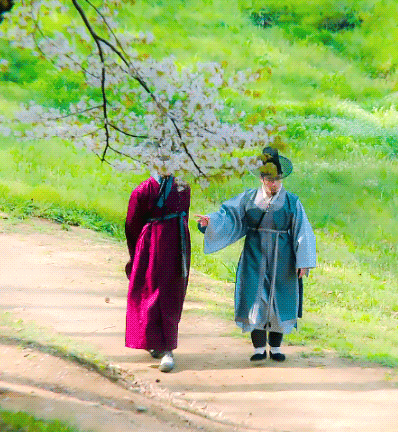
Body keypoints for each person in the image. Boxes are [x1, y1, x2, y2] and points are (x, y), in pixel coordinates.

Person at [195, 147, 316, 362]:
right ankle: (259, 348)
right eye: (269, 179)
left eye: (276, 179)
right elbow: (229, 216)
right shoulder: (248, 199)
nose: (273, 183)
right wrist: (210, 222)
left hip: (283, 259)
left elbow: (303, 231)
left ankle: (276, 348)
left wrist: (303, 261)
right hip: (254, 256)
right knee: (255, 298)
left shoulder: (292, 202)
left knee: (279, 299)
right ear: (261, 178)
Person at [124, 173, 191, 372]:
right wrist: (136, 254)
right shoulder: (142, 191)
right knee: (149, 294)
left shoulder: (182, 186)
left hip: (176, 245)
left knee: (172, 295)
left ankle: (168, 348)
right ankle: (153, 341)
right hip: (151, 246)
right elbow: (132, 225)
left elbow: (185, 215)